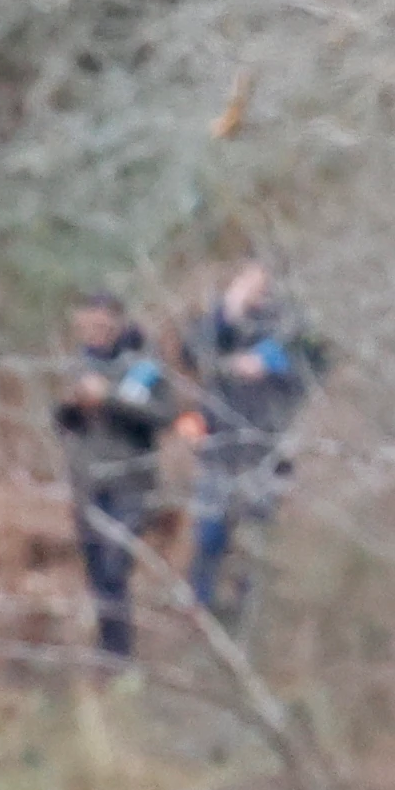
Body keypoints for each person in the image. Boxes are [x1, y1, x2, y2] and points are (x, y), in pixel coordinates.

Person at [181, 260, 322, 629]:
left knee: (255, 549)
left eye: (263, 282)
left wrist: (273, 366)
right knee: (208, 539)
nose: (256, 289)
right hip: (217, 452)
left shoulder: (294, 328)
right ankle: (203, 622)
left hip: (267, 454)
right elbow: (192, 355)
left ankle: (249, 629)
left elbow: (314, 371)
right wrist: (227, 311)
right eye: (247, 280)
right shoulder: (218, 322)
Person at [54, 291, 176, 663]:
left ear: (118, 322)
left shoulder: (143, 365)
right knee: (97, 575)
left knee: (114, 566)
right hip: (88, 486)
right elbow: (62, 422)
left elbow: (164, 415)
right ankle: (110, 655)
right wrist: (71, 406)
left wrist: (110, 398)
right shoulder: (77, 364)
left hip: (131, 484)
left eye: (102, 323)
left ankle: (119, 655)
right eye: (87, 324)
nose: (95, 331)